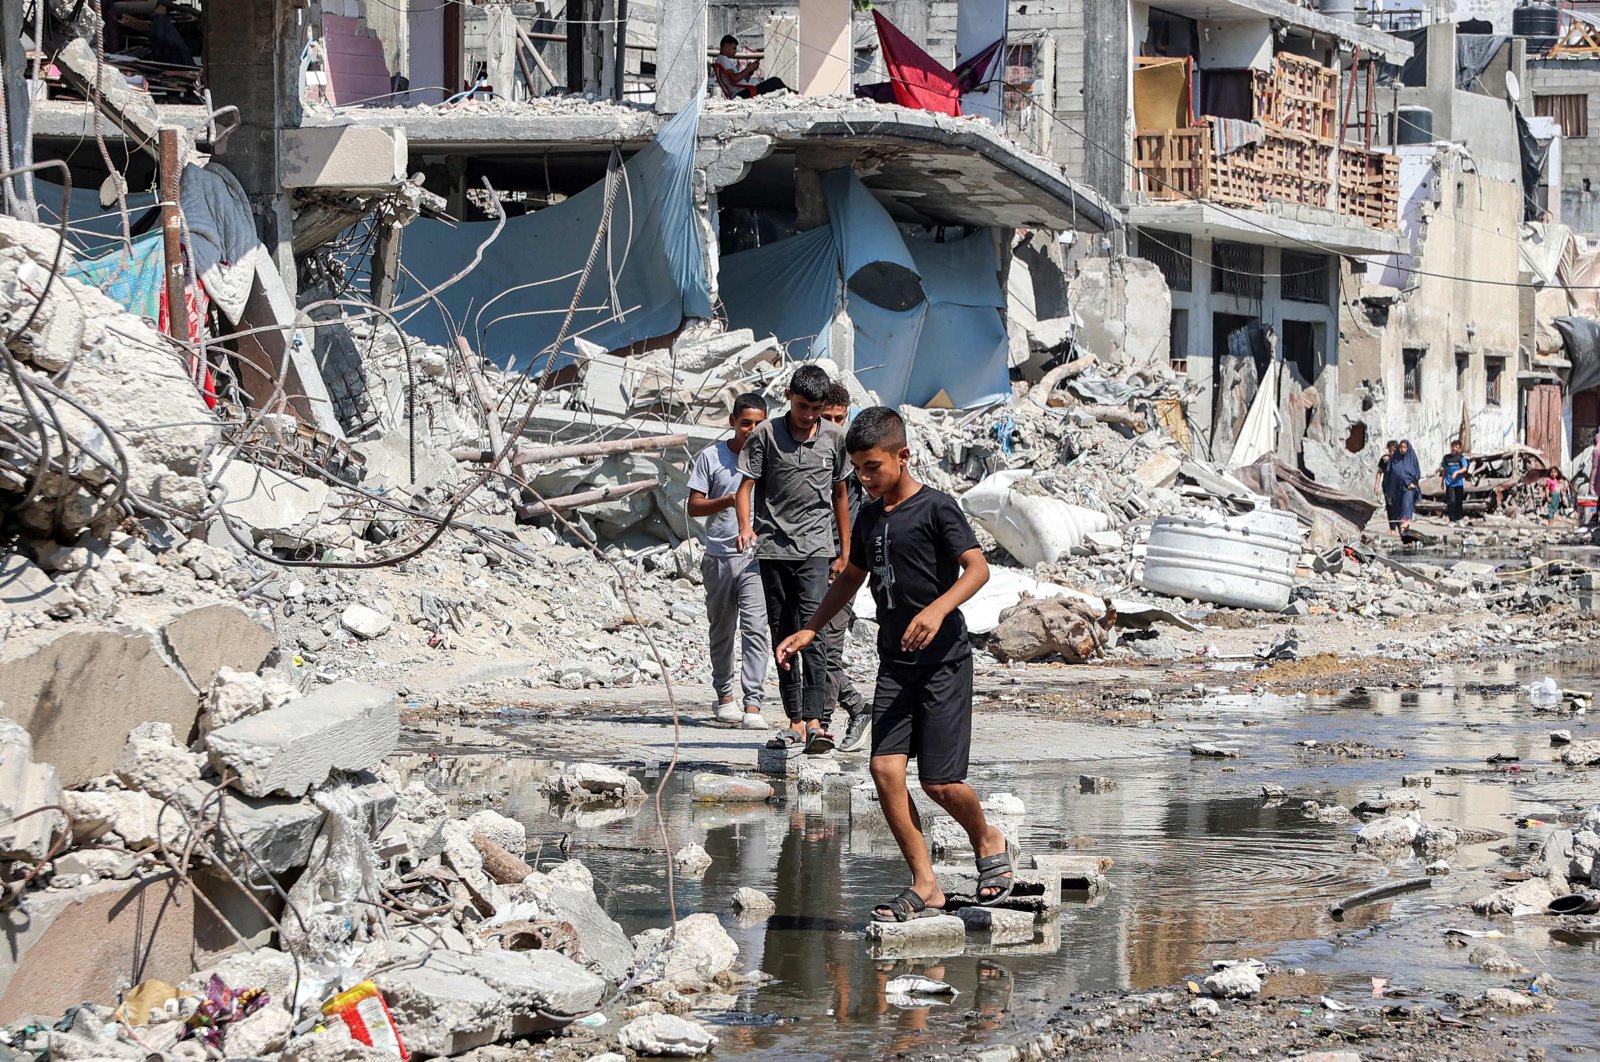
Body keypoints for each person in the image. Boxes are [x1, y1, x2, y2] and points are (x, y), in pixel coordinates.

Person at [776, 407, 1014, 922]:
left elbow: (978, 569)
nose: (863, 478)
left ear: (902, 457)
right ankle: (925, 883)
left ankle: (987, 837)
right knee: (884, 769)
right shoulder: (867, 515)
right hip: (895, 663)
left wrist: (937, 608)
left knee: (939, 783)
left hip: (945, 661)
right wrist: (812, 626)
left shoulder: (936, 508)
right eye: (857, 469)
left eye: (872, 467)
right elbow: (850, 577)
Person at [737, 365, 851, 754]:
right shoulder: (766, 435)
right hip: (773, 549)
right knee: (782, 632)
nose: (809, 416)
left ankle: (818, 721)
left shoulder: (835, 438)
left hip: (817, 549)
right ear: (789, 396)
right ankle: (795, 720)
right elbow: (746, 486)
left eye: (816, 409)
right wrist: (746, 527)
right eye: (803, 406)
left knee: (814, 631)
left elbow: (840, 496)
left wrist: (845, 551)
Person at [687, 394, 771, 731]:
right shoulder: (711, 457)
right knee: (722, 630)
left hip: (755, 558)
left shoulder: (769, 458)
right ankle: (724, 697)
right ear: (733, 421)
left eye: (758, 423)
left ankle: (753, 703)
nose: (751, 430)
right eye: (745, 422)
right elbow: (693, 506)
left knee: (755, 629)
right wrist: (727, 500)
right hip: (719, 556)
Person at [820, 383, 870, 754]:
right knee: (808, 644)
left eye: (840, 418)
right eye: (827, 419)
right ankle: (850, 710)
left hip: (845, 567)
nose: (834, 426)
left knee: (827, 648)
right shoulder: (810, 456)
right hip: (809, 561)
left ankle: (824, 724)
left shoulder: (857, 463)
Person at [713, 34, 789, 98]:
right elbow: (734, 79)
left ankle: (792, 93)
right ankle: (794, 94)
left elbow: (740, 81)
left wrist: (750, 71)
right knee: (775, 81)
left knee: (775, 83)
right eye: (734, 48)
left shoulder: (721, 60)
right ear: (726, 46)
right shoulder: (723, 59)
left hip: (743, 91)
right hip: (742, 93)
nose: (735, 51)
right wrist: (749, 68)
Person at [1382, 438, 1421, 534]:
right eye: (1401, 447)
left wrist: (1414, 483)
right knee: (1397, 510)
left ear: (1408, 448)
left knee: (1406, 505)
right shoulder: (1395, 458)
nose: (1402, 449)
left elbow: (1417, 472)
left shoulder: (1411, 458)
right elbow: (1388, 472)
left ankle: (1406, 521)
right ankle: (1403, 533)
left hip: (1408, 488)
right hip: (1395, 489)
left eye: (1404, 447)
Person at [1439, 439, 1468, 524]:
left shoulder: (1461, 458)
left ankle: (1459, 519)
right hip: (1449, 483)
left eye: (1456, 447)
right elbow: (1444, 470)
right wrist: (1442, 481)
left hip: (1458, 483)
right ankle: (1452, 520)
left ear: (1459, 449)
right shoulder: (1446, 458)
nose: (1454, 448)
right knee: (1451, 501)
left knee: (1458, 501)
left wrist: (1457, 472)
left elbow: (1465, 468)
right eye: (1453, 446)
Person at [1375, 439, 1398, 529]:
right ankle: (1392, 527)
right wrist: (1376, 485)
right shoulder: (1385, 460)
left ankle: (1402, 526)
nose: (1392, 453)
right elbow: (1379, 472)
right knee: (1390, 506)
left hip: (1399, 486)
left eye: (1394, 451)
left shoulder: (1401, 459)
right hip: (1388, 486)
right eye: (1390, 451)